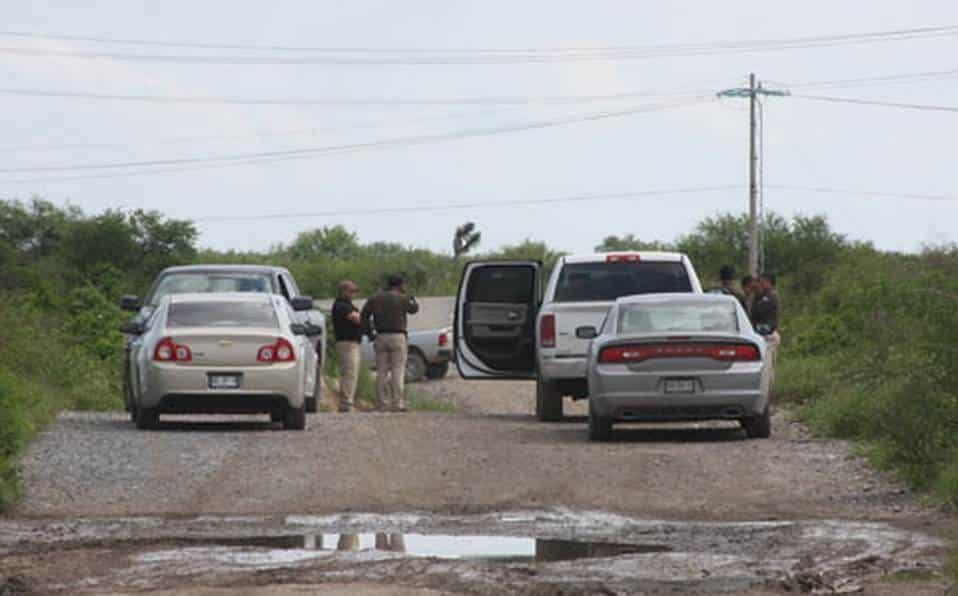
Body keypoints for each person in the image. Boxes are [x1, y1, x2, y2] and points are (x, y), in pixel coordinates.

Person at [361, 275, 419, 412]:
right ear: (400, 285)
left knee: (381, 371)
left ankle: (382, 403)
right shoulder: (401, 298)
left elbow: (363, 315)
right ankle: (397, 403)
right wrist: (411, 297)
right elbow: (414, 309)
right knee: (398, 370)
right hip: (398, 336)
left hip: (380, 336)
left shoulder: (375, 298)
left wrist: (370, 333)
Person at [332, 280, 362, 413]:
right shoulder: (341, 306)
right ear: (343, 291)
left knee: (351, 372)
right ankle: (346, 403)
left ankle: (347, 401)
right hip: (347, 343)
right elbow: (357, 319)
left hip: (351, 343)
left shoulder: (347, 305)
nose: (353, 294)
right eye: (351, 291)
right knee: (349, 372)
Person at [751, 273, 781, 370]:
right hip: (760, 333)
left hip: (769, 334)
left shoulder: (771, 297)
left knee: (768, 367)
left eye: (761, 282)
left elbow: (759, 310)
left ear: (768, 282)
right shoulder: (759, 297)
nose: (759, 284)